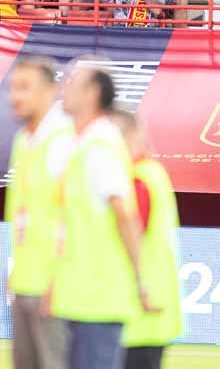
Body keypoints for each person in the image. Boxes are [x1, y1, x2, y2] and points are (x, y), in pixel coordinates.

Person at [53, 65, 148, 369]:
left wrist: (140, 278)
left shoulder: (100, 146)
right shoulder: (80, 143)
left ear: (92, 94)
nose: (63, 88)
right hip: (77, 292)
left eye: (72, 83)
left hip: (99, 296)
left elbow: (125, 216)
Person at [4, 58, 73, 369]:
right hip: (27, 280)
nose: (15, 96)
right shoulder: (24, 140)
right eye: (13, 88)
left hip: (55, 286)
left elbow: (74, 217)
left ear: (50, 91)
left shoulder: (63, 142)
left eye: (25, 88)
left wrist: (60, 278)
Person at [112, 110, 182, 369]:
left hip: (134, 310)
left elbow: (131, 237)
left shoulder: (135, 180)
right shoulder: (152, 173)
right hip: (151, 307)